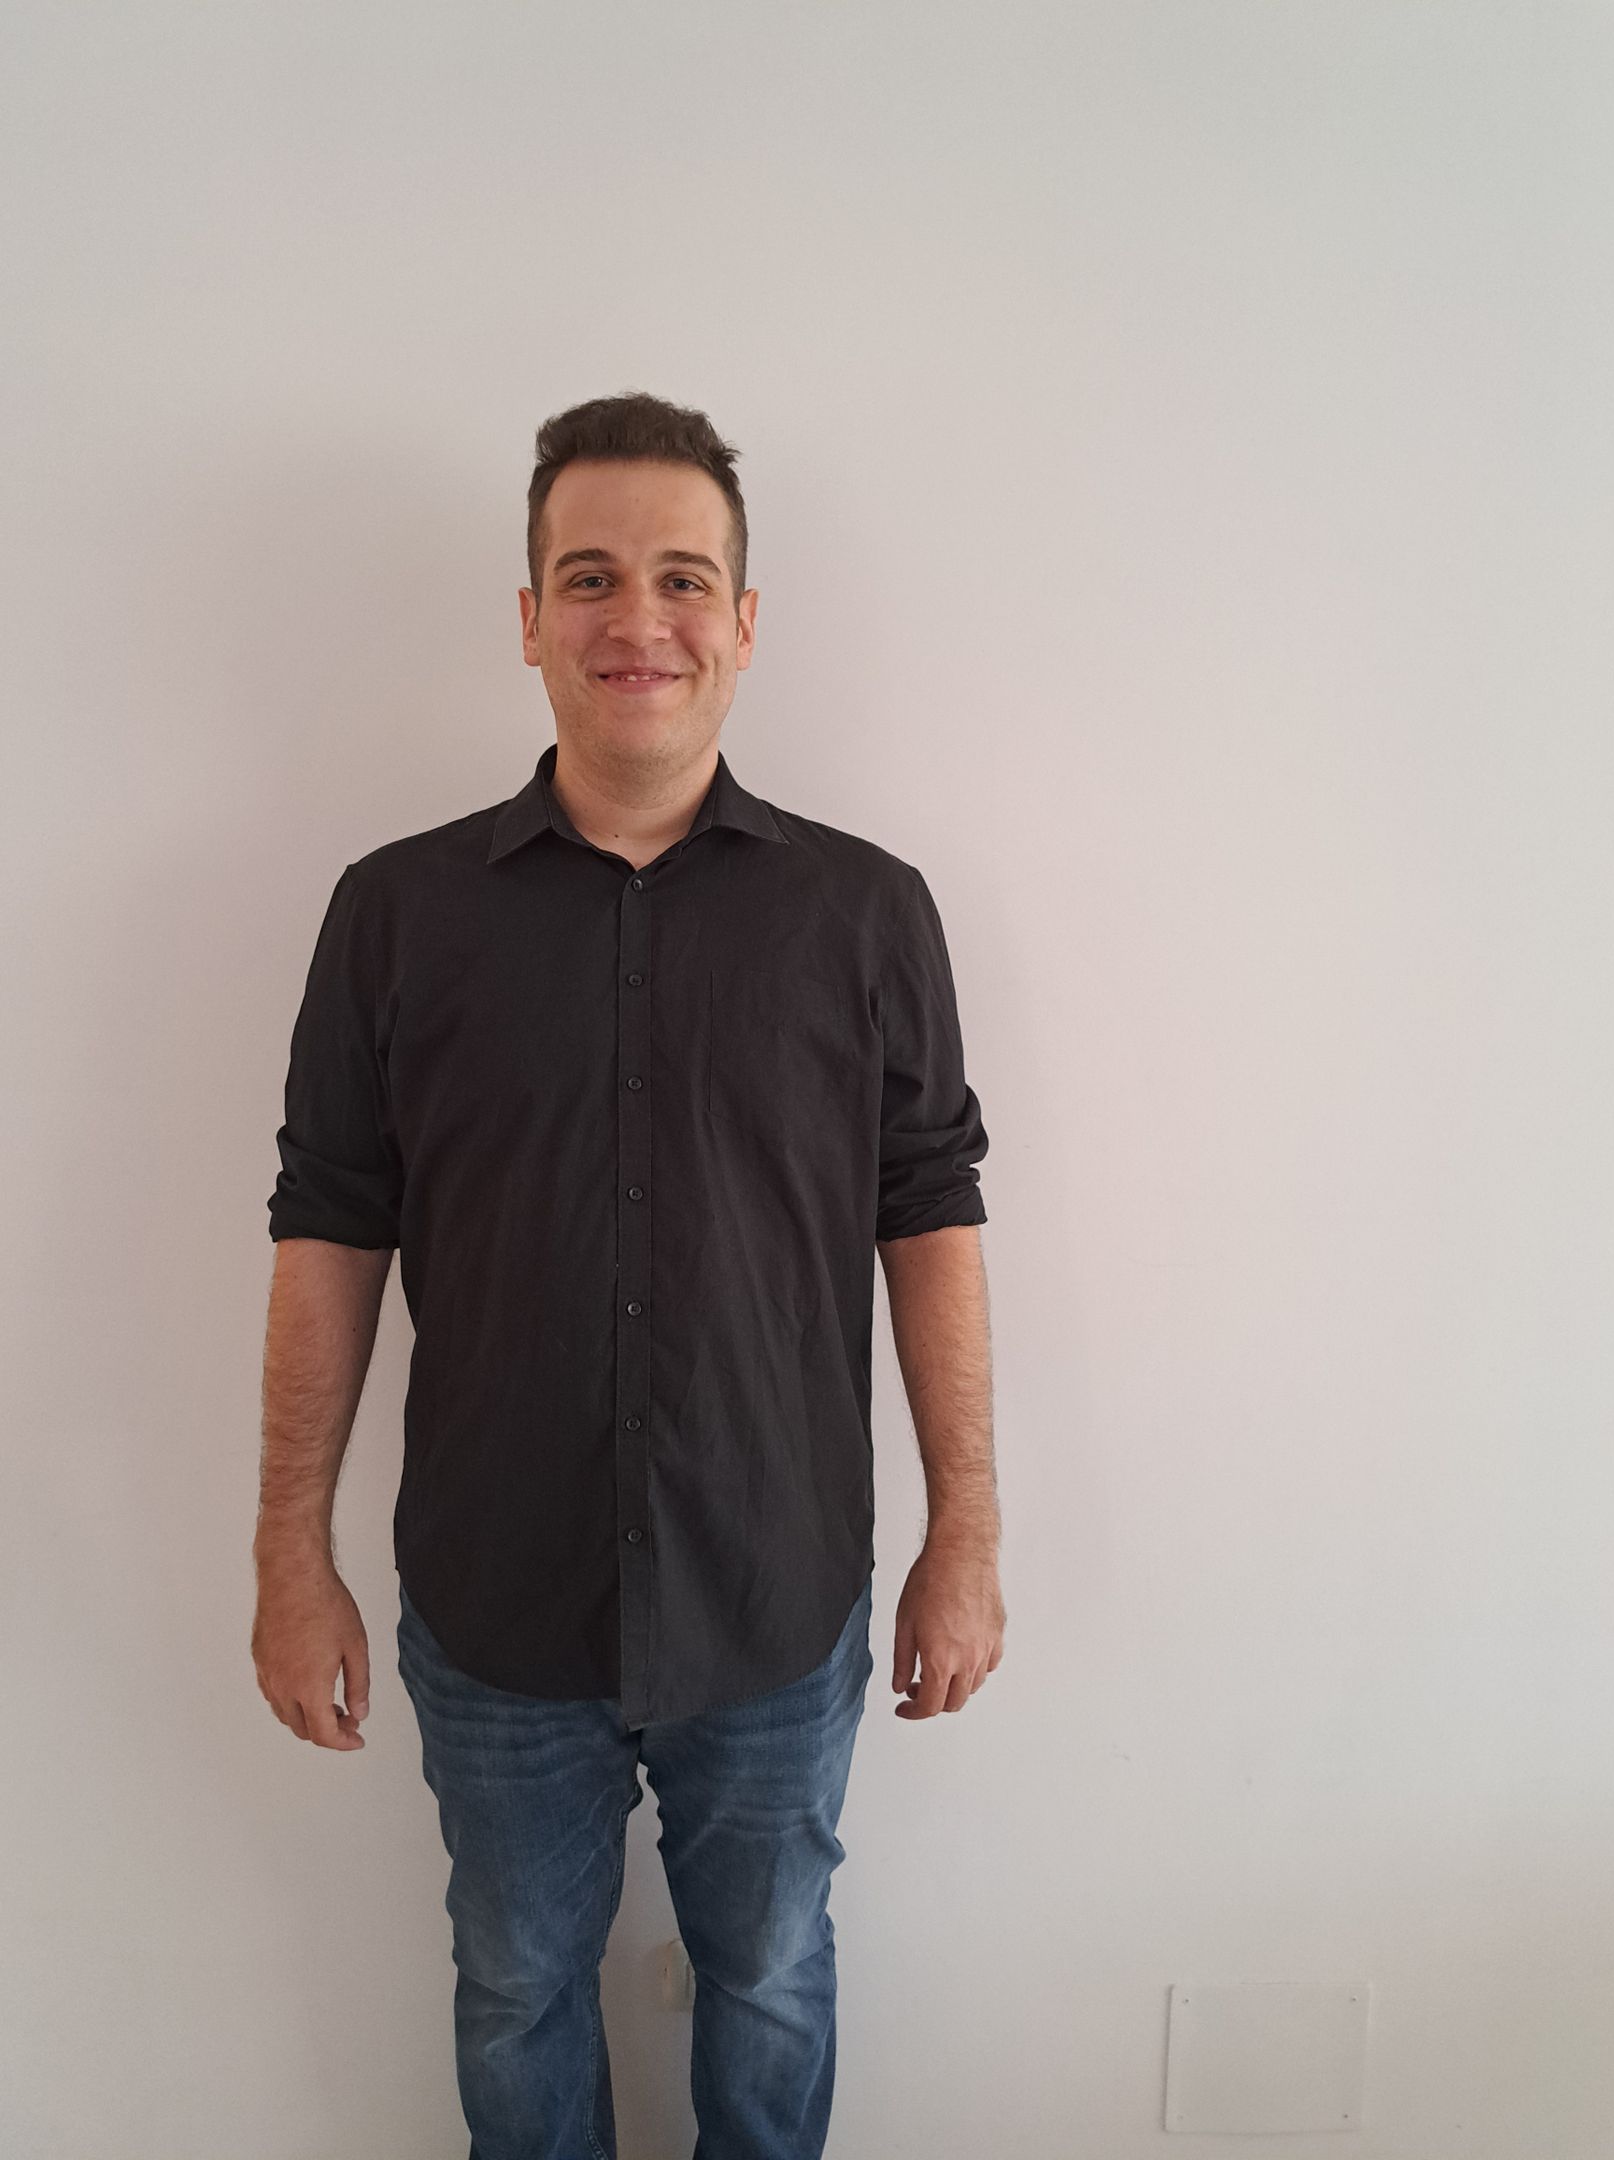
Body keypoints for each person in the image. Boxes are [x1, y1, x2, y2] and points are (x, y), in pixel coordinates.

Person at [251, 389, 1004, 2160]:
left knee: (774, 1974)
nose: (637, 619)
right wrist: (289, 1547)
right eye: (589, 577)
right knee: (516, 1984)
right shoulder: (394, 915)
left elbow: (932, 1216)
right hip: (498, 1606)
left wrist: (966, 1529)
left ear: (744, 621)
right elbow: (328, 1225)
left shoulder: (867, 915)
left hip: (776, 1592)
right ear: (530, 620)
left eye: (683, 578)